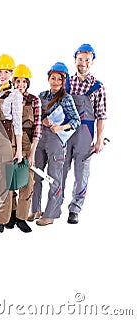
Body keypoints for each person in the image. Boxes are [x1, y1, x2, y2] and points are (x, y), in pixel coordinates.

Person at [61, 44, 107, 224]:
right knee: (59, 171)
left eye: (87, 60)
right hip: (64, 132)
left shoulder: (98, 87)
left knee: (81, 174)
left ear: (92, 62)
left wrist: (100, 140)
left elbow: (101, 115)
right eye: (80, 59)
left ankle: (75, 209)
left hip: (85, 134)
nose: (83, 63)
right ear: (75, 60)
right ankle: (54, 207)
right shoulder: (65, 83)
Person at [31, 62, 80, 226]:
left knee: (54, 178)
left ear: (64, 81)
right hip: (39, 139)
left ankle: (51, 214)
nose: (56, 82)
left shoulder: (66, 98)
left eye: (60, 79)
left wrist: (60, 127)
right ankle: (35, 209)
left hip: (56, 140)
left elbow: (76, 120)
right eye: (53, 78)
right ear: (48, 78)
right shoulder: (42, 95)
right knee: (36, 175)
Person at [0, 54, 24, 236]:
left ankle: (1, 220)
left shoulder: (15, 95)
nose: (2, 74)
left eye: (6, 71)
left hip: (5, 141)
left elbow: (17, 122)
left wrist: (19, 150)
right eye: (0, 70)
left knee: (4, 182)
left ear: (11, 73)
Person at [6, 64, 42, 232]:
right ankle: (11, 214)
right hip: (9, 142)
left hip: (27, 143)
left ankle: (21, 217)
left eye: (23, 81)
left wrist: (33, 151)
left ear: (28, 82)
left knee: (27, 182)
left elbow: (38, 128)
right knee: (10, 180)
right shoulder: (8, 97)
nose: (20, 85)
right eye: (17, 81)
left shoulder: (34, 100)